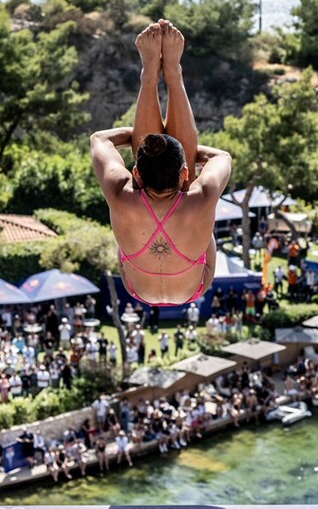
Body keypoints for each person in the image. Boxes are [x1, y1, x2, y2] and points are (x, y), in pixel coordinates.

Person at [91, 20, 232, 306]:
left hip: (136, 286)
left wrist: (151, 142)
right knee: (192, 187)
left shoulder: (120, 194)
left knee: (189, 181)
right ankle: (169, 74)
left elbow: (98, 140)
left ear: (135, 173)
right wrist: (165, 148)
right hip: (193, 286)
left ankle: (158, 76)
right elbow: (221, 158)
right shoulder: (201, 196)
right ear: (181, 172)